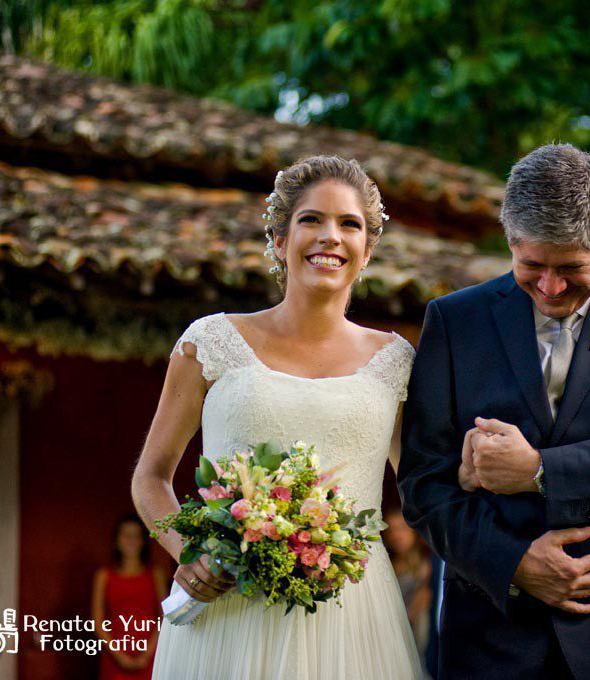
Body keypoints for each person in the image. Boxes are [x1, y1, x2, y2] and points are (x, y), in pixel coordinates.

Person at [398, 144, 590, 679]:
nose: (550, 287)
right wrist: (515, 563)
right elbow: (423, 483)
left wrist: (541, 472)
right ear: (509, 239)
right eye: (532, 267)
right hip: (492, 634)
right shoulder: (454, 322)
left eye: (571, 268)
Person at [132, 156, 423, 679]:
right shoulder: (210, 343)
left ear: (368, 249)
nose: (329, 237)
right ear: (279, 238)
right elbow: (151, 476)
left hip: (352, 619)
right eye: (311, 219)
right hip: (227, 611)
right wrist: (186, 555)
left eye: (349, 224)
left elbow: (426, 489)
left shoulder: (397, 362)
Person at [91, 514, 167, 680]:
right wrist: (119, 655)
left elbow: (165, 617)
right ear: (117, 540)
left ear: (142, 541)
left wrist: (147, 653)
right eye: (126, 535)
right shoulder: (104, 576)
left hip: (150, 654)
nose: (131, 540)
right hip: (114, 657)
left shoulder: (156, 574)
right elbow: (97, 622)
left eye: (136, 535)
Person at [383, 509, 432, 668]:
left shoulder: (424, 568)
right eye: (392, 530)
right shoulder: (385, 568)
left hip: (413, 638)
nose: (397, 535)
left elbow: (415, 612)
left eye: (402, 528)